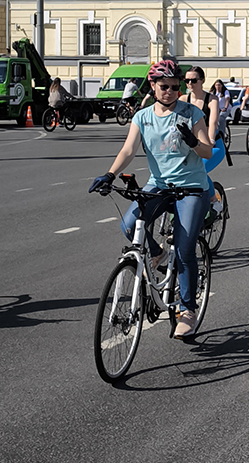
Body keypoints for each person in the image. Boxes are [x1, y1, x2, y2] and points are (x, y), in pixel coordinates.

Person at [91, 59, 214, 339]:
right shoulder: (142, 117)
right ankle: (157, 252)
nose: (170, 91)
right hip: (159, 185)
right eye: (164, 86)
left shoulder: (191, 113)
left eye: (174, 87)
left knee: (184, 250)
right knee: (129, 226)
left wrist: (194, 143)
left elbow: (207, 151)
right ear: (153, 87)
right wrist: (109, 174)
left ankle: (187, 310)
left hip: (192, 188)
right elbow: (128, 150)